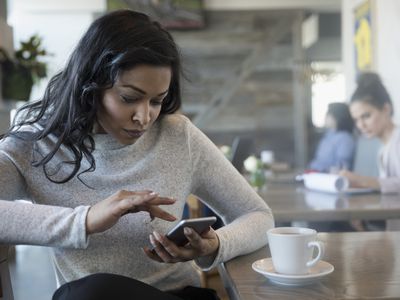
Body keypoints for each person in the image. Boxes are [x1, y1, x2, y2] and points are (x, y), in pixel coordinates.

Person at [0, 10, 274, 300]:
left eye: (157, 101)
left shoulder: (177, 135)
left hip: (176, 295)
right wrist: (86, 220)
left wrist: (215, 243)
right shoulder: (36, 144)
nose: (144, 117)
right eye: (129, 98)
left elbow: (259, 215)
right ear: (89, 87)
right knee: (91, 292)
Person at [339, 72, 400, 194]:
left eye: (366, 116)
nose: (361, 125)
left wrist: (364, 181)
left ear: (386, 110)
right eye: (356, 119)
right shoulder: (384, 148)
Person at [309, 102, 355, 173]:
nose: (325, 117)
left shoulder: (345, 139)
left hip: (326, 176)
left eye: (328, 115)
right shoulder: (329, 135)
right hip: (314, 172)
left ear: (337, 117)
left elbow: (342, 166)